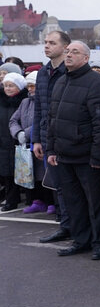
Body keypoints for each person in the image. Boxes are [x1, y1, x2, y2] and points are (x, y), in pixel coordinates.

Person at [46, 41, 100, 260]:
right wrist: (51, 148)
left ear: (86, 58)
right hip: (64, 154)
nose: (68, 55)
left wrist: (97, 156)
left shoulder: (97, 82)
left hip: (87, 155)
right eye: (67, 51)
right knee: (74, 202)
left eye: (74, 52)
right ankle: (81, 240)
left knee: (96, 203)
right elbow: (52, 118)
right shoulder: (61, 81)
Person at [33, 32, 73, 241]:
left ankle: (77, 227)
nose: (46, 46)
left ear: (65, 47)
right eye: (45, 42)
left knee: (70, 186)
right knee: (57, 185)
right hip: (47, 138)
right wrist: (36, 139)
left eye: (52, 43)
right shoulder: (42, 73)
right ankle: (65, 225)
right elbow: (39, 108)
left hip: (67, 138)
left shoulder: (70, 72)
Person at [11, 71, 52, 214]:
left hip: (40, 141)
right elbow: (14, 120)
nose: (30, 89)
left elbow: (41, 120)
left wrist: (27, 133)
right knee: (32, 174)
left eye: (33, 86)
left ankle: (51, 202)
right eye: (28, 86)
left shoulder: (44, 101)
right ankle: (38, 201)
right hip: (27, 145)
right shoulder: (25, 102)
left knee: (45, 174)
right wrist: (18, 133)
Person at [0, 72, 28, 211]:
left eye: (11, 85)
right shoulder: (1, 100)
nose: (8, 88)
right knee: (6, 173)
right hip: (3, 142)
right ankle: (10, 199)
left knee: (19, 172)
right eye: (5, 86)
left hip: (18, 141)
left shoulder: (24, 100)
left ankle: (17, 199)